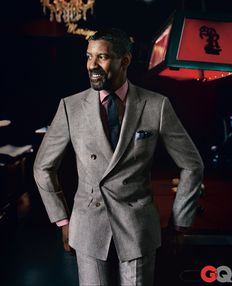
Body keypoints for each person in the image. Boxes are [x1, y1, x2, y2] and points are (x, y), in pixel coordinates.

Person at [33, 28, 204, 286]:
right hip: (88, 225)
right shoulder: (70, 107)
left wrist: (180, 223)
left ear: (125, 61)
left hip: (138, 227)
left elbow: (192, 165)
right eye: (89, 57)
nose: (92, 65)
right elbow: (43, 167)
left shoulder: (156, 105)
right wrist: (63, 220)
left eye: (101, 57)